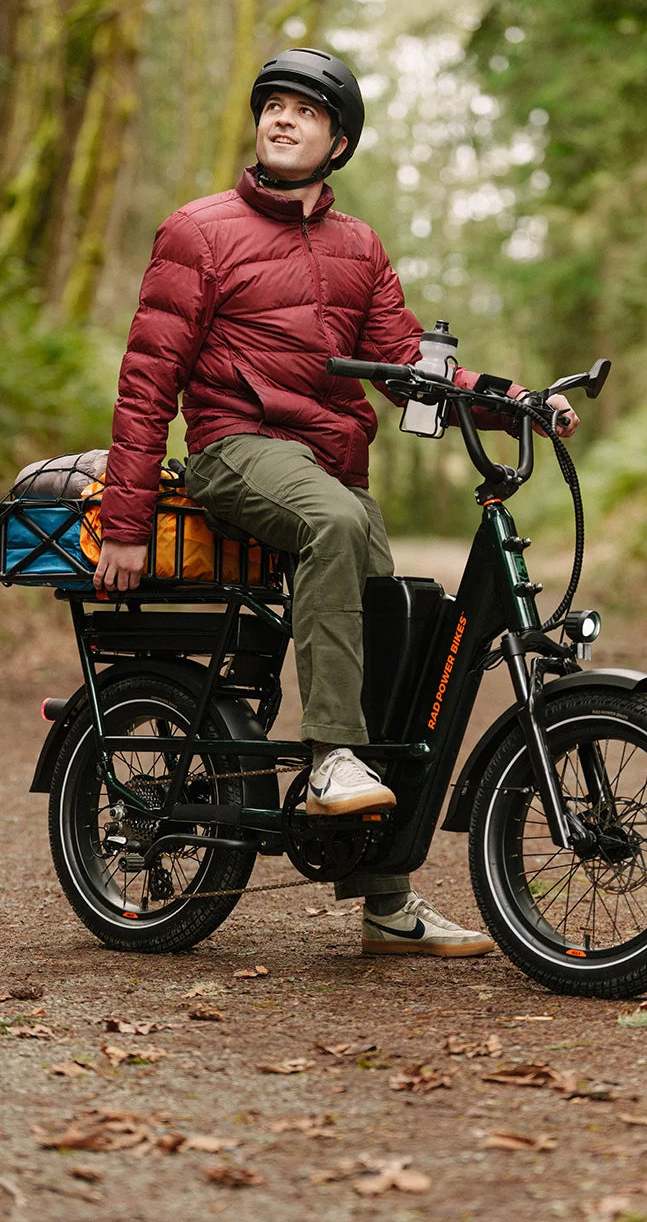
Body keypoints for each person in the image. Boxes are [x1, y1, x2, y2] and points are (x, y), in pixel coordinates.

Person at [94, 47, 579, 958]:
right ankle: (327, 761)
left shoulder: (358, 246)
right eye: (271, 106)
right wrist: (123, 523)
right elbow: (146, 379)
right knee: (336, 520)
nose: (281, 119)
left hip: (331, 470)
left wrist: (513, 401)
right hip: (235, 449)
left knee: (399, 622)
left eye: (304, 111)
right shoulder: (198, 231)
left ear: (339, 140)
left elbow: (409, 369)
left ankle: (384, 897)